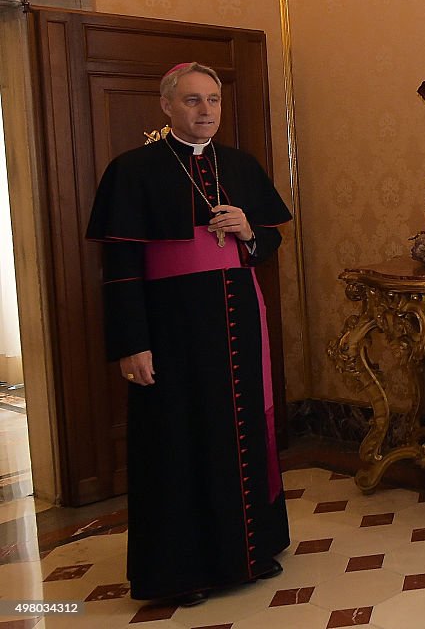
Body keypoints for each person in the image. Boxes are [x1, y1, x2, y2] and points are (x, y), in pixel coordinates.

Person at [86, 62, 292, 606]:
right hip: (172, 327)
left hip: (239, 321)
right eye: (194, 101)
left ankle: (249, 552)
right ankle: (181, 572)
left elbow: (269, 245)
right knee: (178, 439)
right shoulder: (133, 171)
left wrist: (250, 231)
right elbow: (122, 266)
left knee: (241, 430)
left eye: (214, 101)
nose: (207, 112)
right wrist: (132, 341)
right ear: (168, 106)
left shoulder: (240, 166)